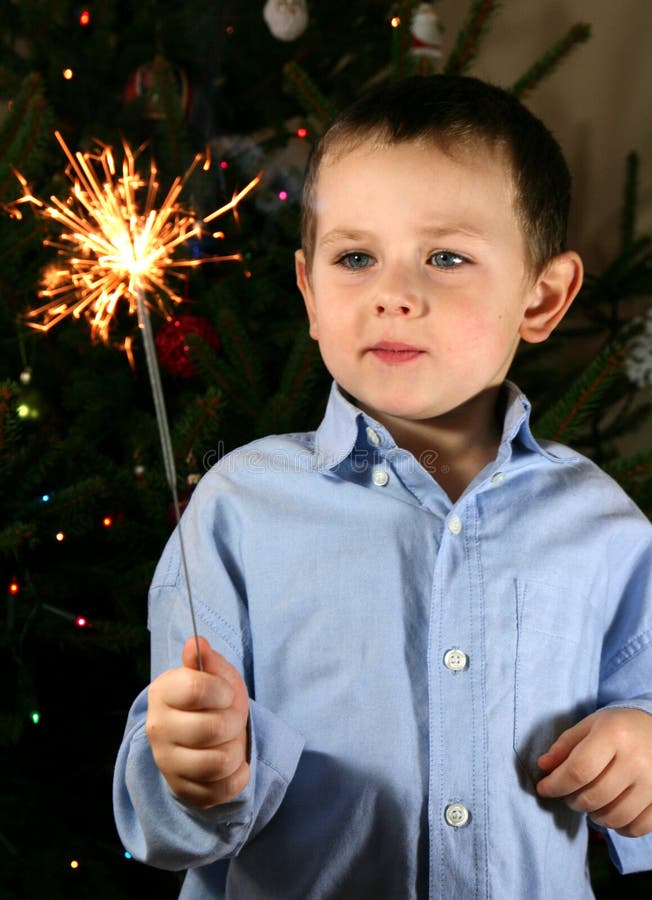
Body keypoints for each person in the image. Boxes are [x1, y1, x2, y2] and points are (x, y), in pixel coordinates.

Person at [113, 75, 652, 898]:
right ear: (310, 294)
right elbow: (165, 807)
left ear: (542, 296)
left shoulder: (605, 529)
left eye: (446, 256)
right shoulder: (239, 509)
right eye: (355, 257)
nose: (393, 295)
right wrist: (192, 766)